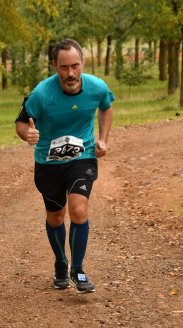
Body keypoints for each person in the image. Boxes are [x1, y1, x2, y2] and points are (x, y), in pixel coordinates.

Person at [15, 38, 114, 293]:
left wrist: (102, 139)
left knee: (78, 210)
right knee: (56, 217)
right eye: (64, 68)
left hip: (82, 157)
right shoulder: (41, 94)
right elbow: (22, 122)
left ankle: (77, 270)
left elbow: (106, 106)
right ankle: (61, 262)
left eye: (75, 66)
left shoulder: (96, 87)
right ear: (54, 66)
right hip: (48, 163)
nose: (70, 73)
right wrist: (27, 134)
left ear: (83, 63)